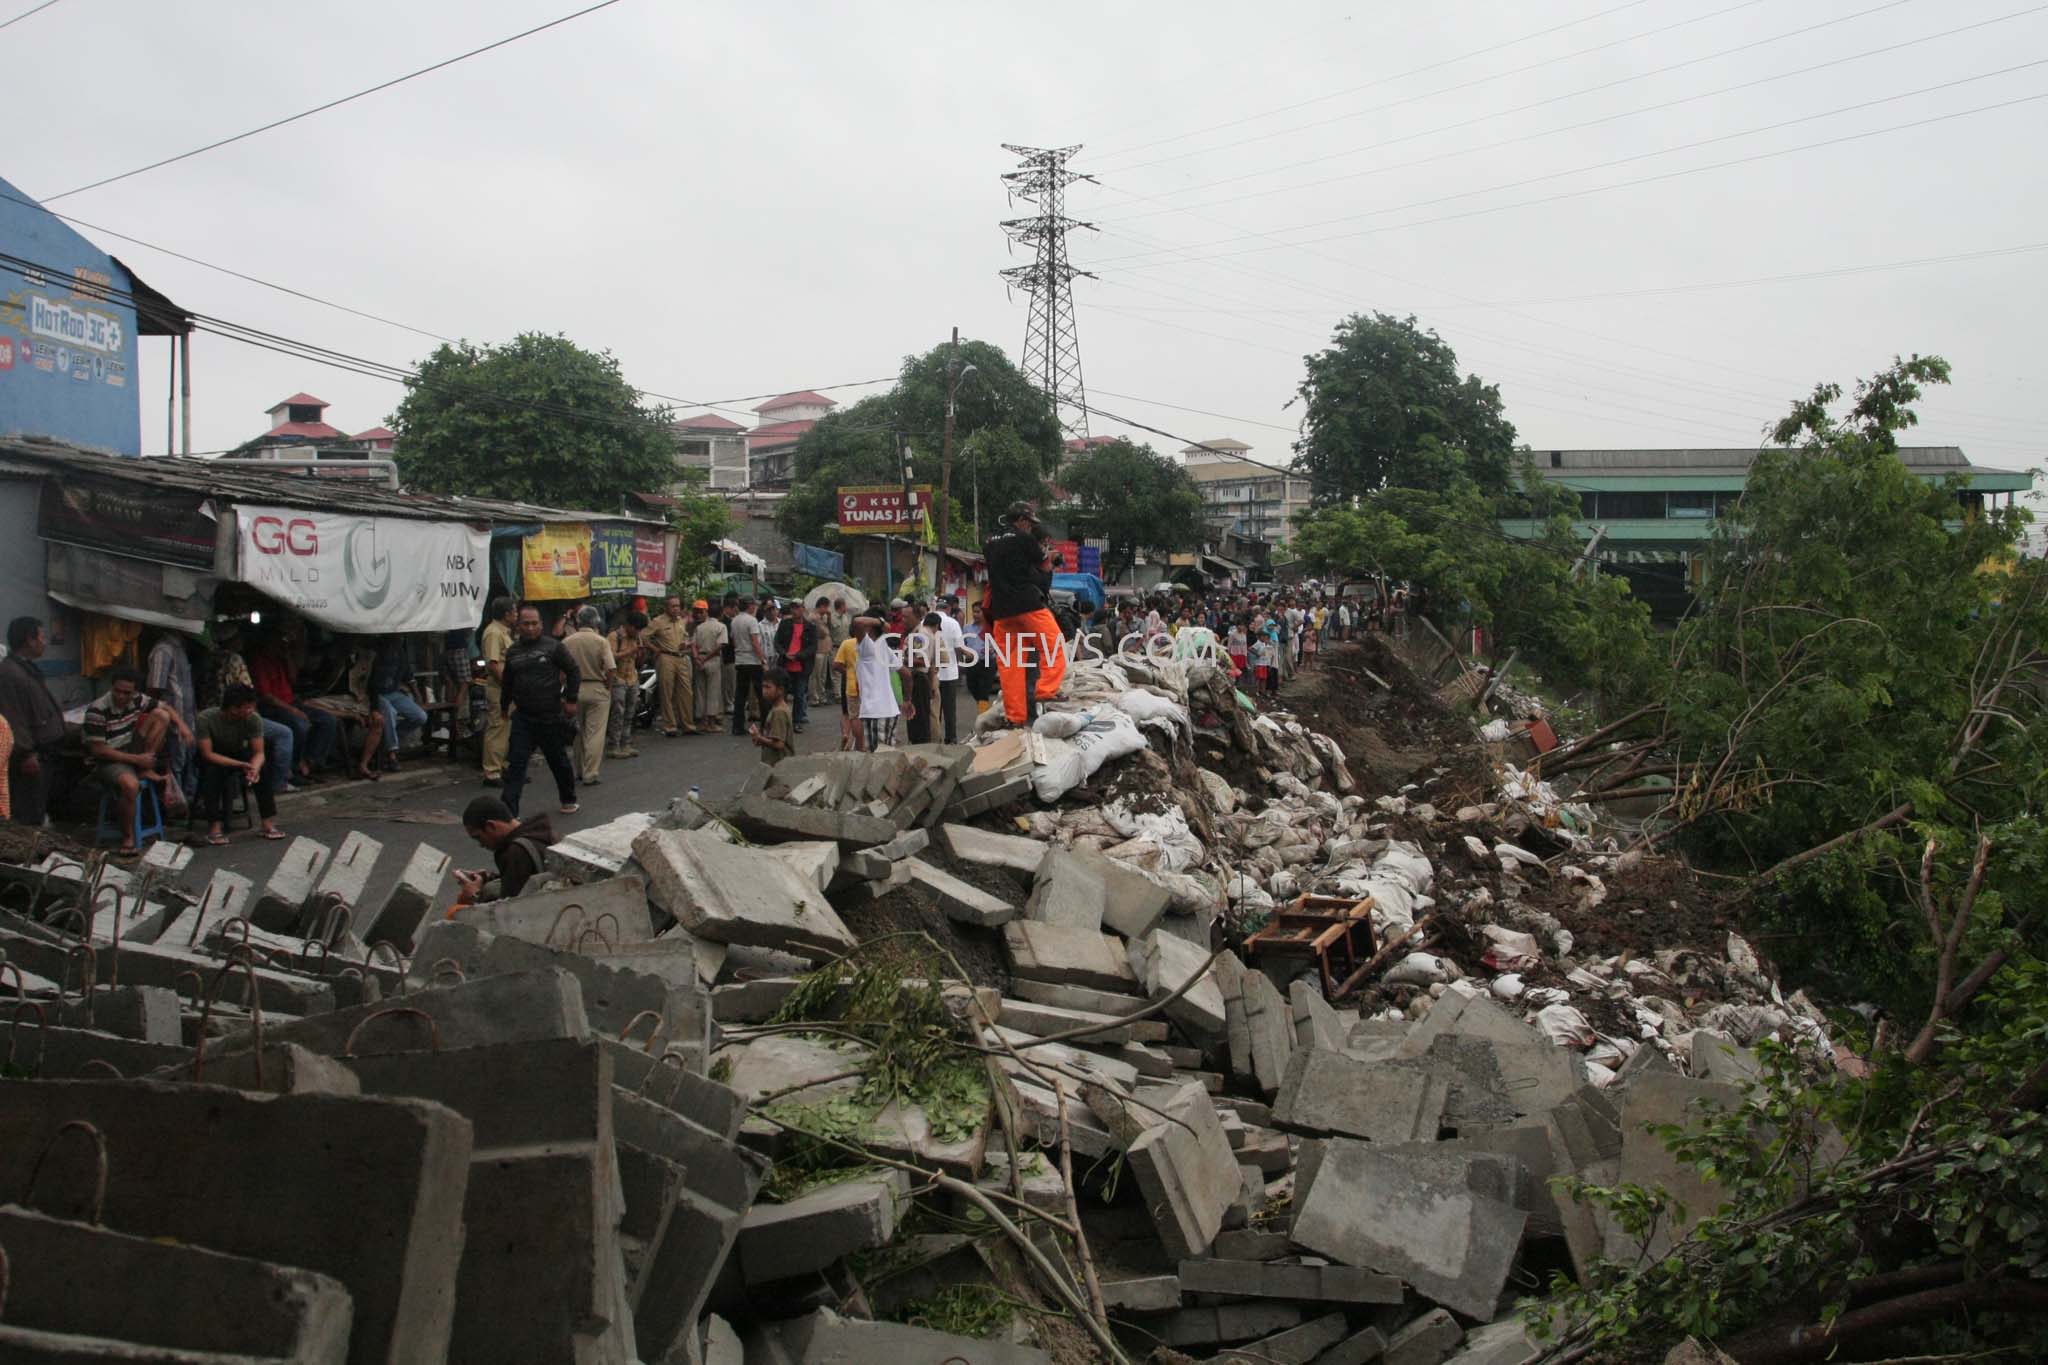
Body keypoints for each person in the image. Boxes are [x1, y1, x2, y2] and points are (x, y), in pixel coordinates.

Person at [85, 665, 193, 851]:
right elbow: (99, 750)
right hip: (111, 759)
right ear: (112, 688)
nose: (121, 696)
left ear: (134, 692)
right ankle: (128, 837)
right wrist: (136, 760)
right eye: (117, 691)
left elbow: (165, 706)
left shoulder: (138, 700)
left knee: (161, 715)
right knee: (131, 786)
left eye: (126, 693)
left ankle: (145, 769)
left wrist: (182, 726)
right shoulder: (97, 710)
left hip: (132, 748)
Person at [982, 503, 1067, 725]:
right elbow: (1045, 567)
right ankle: (1045, 690)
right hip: (1028, 606)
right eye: (1029, 523)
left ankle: (1015, 716)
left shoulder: (989, 542)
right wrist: (1049, 557)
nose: (1030, 528)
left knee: (1010, 665)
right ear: (1021, 520)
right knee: (1054, 645)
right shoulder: (1024, 539)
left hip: (1002, 612)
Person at [499, 605, 581, 818]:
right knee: (516, 764)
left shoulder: (553, 647)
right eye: (526, 624)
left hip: (550, 716)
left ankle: (568, 799)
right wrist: (503, 706)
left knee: (558, 761)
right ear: (519, 626)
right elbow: (507, 681)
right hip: (523, 718)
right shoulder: (513, 652)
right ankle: (509, 811)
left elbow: (573, 671)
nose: (530, 627)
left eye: (534, 623)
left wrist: (571, 700)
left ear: (541, 625)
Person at [194, 683, 284, 844]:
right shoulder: (205, 719)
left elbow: (259, 752)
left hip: (238, 751)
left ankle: (268, 823)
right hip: (215, 755)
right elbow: (207, 753)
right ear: (234, 709)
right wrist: (239, 764)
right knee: (212, 773)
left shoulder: (253, 719)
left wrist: (254, 768)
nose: (250, 711)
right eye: (247, 707)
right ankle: (214, 827)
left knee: (262, 770)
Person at [0, 616, 68, 826]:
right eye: (41, 636)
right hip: (32, 754)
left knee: (39, 805)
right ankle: (28, 853)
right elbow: (13, 718)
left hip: (45, 749)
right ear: (29, 640)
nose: (44, 642)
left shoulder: (26, 668)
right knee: (28, 809)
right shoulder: (10, 673)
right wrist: (27, 754)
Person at [252, 626, 338, 784]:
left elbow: (293, 679)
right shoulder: (260, 662)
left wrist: (287, 658)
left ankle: (309, 763)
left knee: (328, 720)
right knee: (299, 725)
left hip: (291, 701)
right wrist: (292, 709)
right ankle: (292, 766)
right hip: (273, 707)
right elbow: (266, 696)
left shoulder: (280, 659)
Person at [453, 795, 557, 906]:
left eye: (478, 837)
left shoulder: (516, 852)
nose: (481, 844)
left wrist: (474, 895)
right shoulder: (539, 831)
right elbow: (522, 878)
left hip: (535, 910)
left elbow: (508, 910)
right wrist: (487, 877)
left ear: (491, 826)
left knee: (456, 909)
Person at [560, 606, 616, 786]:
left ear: (578, 622)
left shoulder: (567, 641)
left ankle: (579, 770)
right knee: (595, 733)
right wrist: (608, 686)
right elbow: (610, 669)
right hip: (597, 688)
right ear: (596, 622)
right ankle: (590, 773)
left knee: (578, 731)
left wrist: (563, 690)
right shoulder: (601, 641)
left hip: (573, 690)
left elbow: (560, 671)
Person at [145, 632, 198, 801]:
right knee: (176, 762)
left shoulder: (179, 649)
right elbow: (155, 689)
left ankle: (187, 800)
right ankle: (176, 803)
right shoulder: (164, 650)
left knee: (187, 759)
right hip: (173, 716)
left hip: (186, 716)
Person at [370, 635, 429, 774]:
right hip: (377, 694)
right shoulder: (376, 654)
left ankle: (389, 739)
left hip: (393, 693)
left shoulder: (400, 653)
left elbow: (409, 676)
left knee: (420, 716)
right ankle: (392, 754)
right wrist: (373, 706)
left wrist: (418, 695)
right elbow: (369, 684)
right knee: (390, 712)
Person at [854, 613, 911, 750]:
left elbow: (857, 621)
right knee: (886, 755)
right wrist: (907, 700)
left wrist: (879, 622)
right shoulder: (884, 648)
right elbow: (907, 674)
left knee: (876, 758)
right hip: (889, 712)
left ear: (869, 628)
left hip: (875, 713)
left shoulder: (867, 647)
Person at [478, 596, 517, 785]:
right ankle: (491, 772)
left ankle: (503, 767)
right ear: (506, 613)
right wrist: (508, 686)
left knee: (508, 729)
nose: (516, 615)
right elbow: (493, 665)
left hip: (508, 689)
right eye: (514, 611)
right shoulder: (494, 632)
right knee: (497, 728)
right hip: (499, 689)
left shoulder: (505, 632)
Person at [644, 594, 696, 738]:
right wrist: (655, 650)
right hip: (666, 657)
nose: (676, 609)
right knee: (667, 692)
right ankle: (670, 726)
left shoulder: (680, 621)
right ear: (666, 607)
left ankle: (688, 725)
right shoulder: (657, 622)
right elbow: (643, 637)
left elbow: (685, 636)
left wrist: (686, 642)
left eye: (678, 606)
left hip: (681, 657)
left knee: (686, 692)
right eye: (673, 606)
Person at [606, 609, 646, 760]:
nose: (638, 632)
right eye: (636, 629)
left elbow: (638, 660)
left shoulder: (637, 637)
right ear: (628, 625)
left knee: (630, 713)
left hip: (632, 677)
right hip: (618, 679)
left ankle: (626, 743)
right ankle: (613, 745)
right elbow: (609, 658)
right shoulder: (614, 636)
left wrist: (640, 654)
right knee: (618, 713)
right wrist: (630, 651)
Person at [771, 599, 813, 734]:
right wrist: (785, 653)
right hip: (785, 665)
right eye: (793, 608)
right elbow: (777, 642)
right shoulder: (785, 624)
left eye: (798, 607)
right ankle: (780, 720)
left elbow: (812, 647)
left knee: (800, 695)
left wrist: (799, 655)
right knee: (780, 694)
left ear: (803, 609)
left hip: (801, 666)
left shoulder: (810, 626)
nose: (796, 610)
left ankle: (797, 721)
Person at [728, 597, 766, 736]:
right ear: (750, 606)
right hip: (753, 660)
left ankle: (737, 726)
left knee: (740, 694)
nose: (755, 607)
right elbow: (755, 642)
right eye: (754, 605)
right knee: (761, 693)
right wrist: (763, 660)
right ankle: (765, 724)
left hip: (740, 660)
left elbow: (733, 640)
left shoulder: (734, 620)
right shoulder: (752, 620)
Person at [690, 600, 727, 729]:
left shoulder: (699, 627)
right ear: (721, 614)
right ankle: (711, 723)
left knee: (700, 691)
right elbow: (719, 646)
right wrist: (706, 659)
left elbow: (693, 644)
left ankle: (701, 722)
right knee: (713, 691)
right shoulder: (721, 626)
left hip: (699, 659)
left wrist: (697, 658)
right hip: (712, 660)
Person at [934, 597, 965, 743]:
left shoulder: (924, 622)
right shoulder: (953, 623)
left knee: (934, 710)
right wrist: (958, 662)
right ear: (948, 608)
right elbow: (959, 647)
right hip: (950, 673)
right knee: (949, 709)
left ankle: (935, 738)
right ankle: (951, 738)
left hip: (932, 674)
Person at [750, 670, 795, 767]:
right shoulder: (777, 708)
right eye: (763, 686)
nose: (764, 691)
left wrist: (759, 738)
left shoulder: (779, 712)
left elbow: (779, 744)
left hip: (779, 765)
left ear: (780, 690)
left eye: (768, 687)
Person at [833, 618, 863, 751]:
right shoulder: (871, 643)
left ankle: (847, 735)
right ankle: (862, 742)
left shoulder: (846, 643)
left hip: (851, 685)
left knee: (852, 715)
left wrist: (848, 671)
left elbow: (836, 665)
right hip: (868, 686)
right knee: (865, 716)